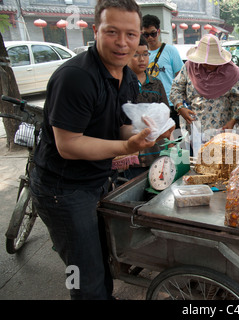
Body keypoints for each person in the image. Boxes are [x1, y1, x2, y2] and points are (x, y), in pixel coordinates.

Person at [29, 0, 173, 300]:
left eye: (131, 35)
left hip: (97, 182)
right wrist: (126, 146)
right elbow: (68, 145)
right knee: (82, 271)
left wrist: (148, 135)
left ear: (140, 37)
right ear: (95, 31)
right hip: (62, 190)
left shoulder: (128, 77)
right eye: (112, 32)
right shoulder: (76, 78)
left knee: (105, 258)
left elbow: (120, 127)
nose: (122, 43)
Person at [170, 34, 239, 148]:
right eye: (204, 61)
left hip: (222, 133)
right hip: (195, 131)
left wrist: (233, 120)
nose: (206, 65)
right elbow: (176, 88)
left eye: (211, 62)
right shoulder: (190, 67)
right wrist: (180, 107)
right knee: (197, 162)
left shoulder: (232, 72)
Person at [116, 35, 169, 179]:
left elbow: (165, 114)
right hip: (132, 155)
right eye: (136, 55)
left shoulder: (156, 83)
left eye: (145, 54)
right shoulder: (120, 85)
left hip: (156, 152)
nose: (142, 59)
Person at [142, 14, 184, 129]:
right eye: (146, 35)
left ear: (158, 31)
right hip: (149, 104)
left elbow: (181, 78)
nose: (150, 37)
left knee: (173, 139)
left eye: (153, 33)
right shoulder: (140, 54)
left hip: (169, 104)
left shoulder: (170, 51)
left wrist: (180, 103)